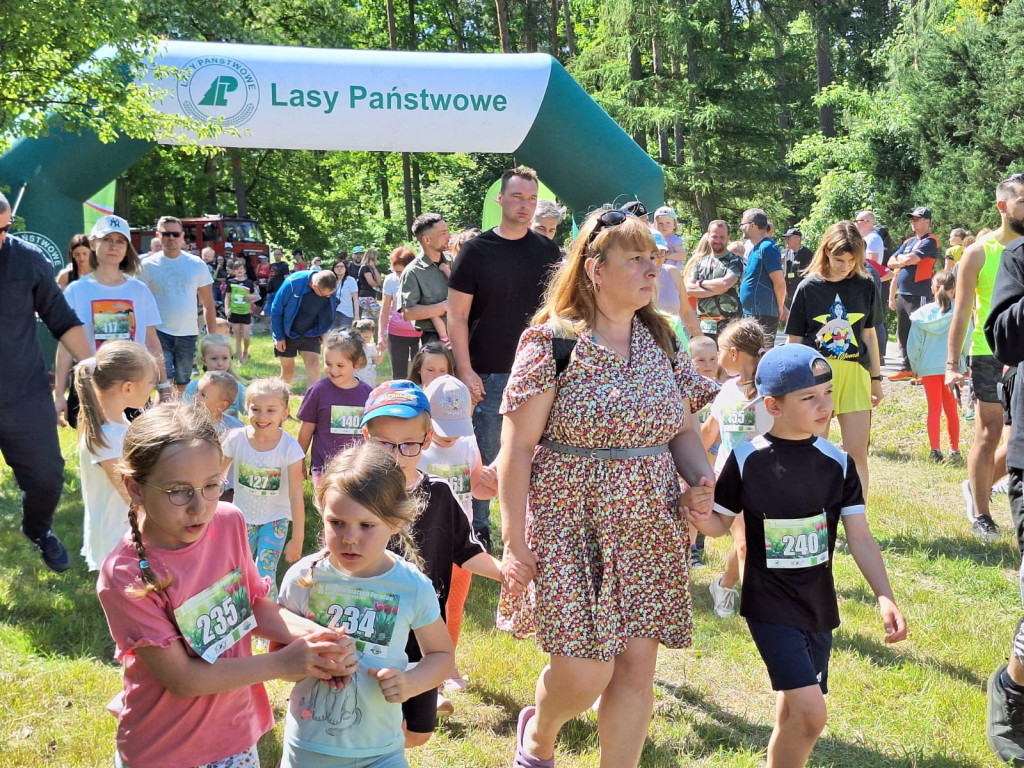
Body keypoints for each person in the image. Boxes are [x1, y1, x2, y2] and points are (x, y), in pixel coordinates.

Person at [497, 211, 716, 768]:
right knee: (583, 671)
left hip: (650, 521)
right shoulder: (552, 343)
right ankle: (539, 735)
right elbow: (518, 449)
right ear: (595, 269)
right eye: (637, 259)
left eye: (656, 258)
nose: (653, 269)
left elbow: (682, 429)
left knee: (636, 670)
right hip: (569, 520)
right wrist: (514, 536)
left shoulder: (661, 338)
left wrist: (700, 479)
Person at [96, 403, 357, 768]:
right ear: (135, 488)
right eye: (178, 491)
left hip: (236, 734)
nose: (199, 507)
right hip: (164, 750)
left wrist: (319, 640)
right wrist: (282, 663)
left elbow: (250, 606)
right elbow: (182, 679)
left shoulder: (229, 521)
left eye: (211, 486)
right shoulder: (125, 574)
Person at [687, 343, 906, 768]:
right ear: (774, 405)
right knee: (811, 715)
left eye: (826, 392)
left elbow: (860, 537)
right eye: (808, 397)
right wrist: (697, 512)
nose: (824, 405)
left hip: (818, 606)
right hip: (769, 604)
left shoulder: (838, 463)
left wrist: (884, 595)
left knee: (792, 713)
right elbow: (718, 525)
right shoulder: (746, 458)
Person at [277, 443, 455, 768]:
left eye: (367, 525)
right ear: (322, 511)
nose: (349, 538)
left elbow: (442, 656)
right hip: (309, 751)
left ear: (396, 521)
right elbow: (279, 657)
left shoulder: (412, 586)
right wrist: (305, 659)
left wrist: (412, 682)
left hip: (382, 752)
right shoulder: (303, 578)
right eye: (337, 522)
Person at [360, 380, 516, 740]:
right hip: (370, 627)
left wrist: (506, 574)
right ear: (367, 438)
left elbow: (466, 549)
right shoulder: (359, 493)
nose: (397, 455)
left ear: (426, 440)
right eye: (385, 444)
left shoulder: (440, 494)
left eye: (408, 445)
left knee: (418, 732)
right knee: (368, 720)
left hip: (424, 632)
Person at [448, 166, 562, 551]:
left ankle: (535, 530)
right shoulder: (475, 251)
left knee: (539, 454)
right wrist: (465, 369)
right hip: (490, 372)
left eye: (531, 199)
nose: (524, 206)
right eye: (517, 197)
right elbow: (457, 316)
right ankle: (477, 533)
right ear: (500, 199)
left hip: (543, 371)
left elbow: (559, 312)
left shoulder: (548, 251)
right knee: (487, 454)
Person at [948, 174, 1024, 541]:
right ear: (1002, 206)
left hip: (1022, 356)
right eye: (1022, 201)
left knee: (1016, 437)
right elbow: (961, 312)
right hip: (988, 352)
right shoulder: (980, 252)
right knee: (990, 432)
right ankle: (981, 511)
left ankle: (977, 486)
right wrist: (952, 364)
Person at [786, 220, 884, 496]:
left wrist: (876, 379)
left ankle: (858, 522)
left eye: (853, 260)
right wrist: (792, 384)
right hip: (816, 378)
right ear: (826, 251)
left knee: (857, 454)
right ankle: (816, 514)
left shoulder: (865, 285)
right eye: (840, 259)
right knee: (816, 450)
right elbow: (793, 340)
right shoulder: (807, 287)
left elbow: (869, 336)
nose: (846, 267)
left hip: (855, 375)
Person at [418, 375, 498, 693]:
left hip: (461, 544)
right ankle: (423, 662)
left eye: (456, 428)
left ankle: (447, 664)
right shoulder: (417, 448)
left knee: (454, 605)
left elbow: (475, 487)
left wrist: (489, 483)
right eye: (443, 428)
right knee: (427, 604)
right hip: (425, 544)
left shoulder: (467, 442)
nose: (451, 437)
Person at [58, 215, 171, 431]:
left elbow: (152, 342)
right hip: (91, 385)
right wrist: (60, 394)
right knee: (94, 455)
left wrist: (164, 387)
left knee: (132, 453)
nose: (114, 246)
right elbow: (65, 346)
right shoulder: (76, 291)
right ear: (93, 243)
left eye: (120, 241)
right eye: (107, 239)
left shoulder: (139, 291)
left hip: (133, 384)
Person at [702, 318, 774, 619]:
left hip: (769, 480)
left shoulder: (772, 391)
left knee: (759, 543)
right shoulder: (726, 391)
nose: (717, 359)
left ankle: (723, 584)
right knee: (745, 543)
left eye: (719, 351)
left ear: (732, 353)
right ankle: (760, 615)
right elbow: (708, 434)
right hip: (731, 481)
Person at [74, 340, 157, 571]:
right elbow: (128, 493)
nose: (152, 388)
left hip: (126, 533)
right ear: (128, 388)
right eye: (150, 382)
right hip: (117, 537)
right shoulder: (108, 437)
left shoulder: (118, 425)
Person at [221, 378, 307, 599]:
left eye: (271, 410)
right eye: (255, 409)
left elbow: (297, 495)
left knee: (264, 571)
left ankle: (269, 623)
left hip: (275, 519)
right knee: (237, 571)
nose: (262, 416)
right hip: (242, 518)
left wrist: (297, 538)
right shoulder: (236, 439)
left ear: (285, 413)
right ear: (246, 408)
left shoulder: (290, 448)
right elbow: (217, 477)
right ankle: (241, 616)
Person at [138, 216, 217, 391]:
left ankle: (178, 417)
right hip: (158, 333)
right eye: (166, 234)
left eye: (175, 234)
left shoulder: (196, 264)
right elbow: (136, 303)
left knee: (182, 384)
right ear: (158, 235)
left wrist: (213, 339)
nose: (171, 238)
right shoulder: (146, 265)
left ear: (182, 236)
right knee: (163, 384)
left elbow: (208, 304)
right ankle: (164, 415)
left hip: (188, 333)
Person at [296, 331, 373, 487]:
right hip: (324, 467)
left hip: (357, 468)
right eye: (328, 363)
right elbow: (306, 429)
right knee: (328, 509)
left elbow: (374, 433)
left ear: (357, 363)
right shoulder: (317, 392)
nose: (333, 370)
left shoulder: (369, 395)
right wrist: (299, 459)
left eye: (340, 365)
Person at [908, 270, 965, 463]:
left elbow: (913, 344)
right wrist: (964, 365)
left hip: (928, 367)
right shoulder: (959, 311)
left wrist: (915, 365)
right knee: (952, 410)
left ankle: (935, 450)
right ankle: (954, 449)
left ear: (932, 289)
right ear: (954, 290)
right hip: (951, 367)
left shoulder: (922, 314)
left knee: (934, 409)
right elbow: (966, 340)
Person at [888, 206, 940, 381]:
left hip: (920, 292)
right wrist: (905, 261)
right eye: (912, 219)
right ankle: (907, 367)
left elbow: (911, 259)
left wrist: (903, 260)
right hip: (904, 293)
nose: (914, 222)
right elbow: (890, 262)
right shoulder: (908, 242)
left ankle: (924, 369)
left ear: (927, 222)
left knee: (920, 329)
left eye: (917, 219)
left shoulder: (931, 241)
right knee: (903, 331)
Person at [269, 268, 339, 387]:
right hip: (287, 332)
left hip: (311, 333)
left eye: (330, 294)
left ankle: (311, 404)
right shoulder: (293, 283)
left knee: (314, 368)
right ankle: (278, 402)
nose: (328, 297)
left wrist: (323, 330)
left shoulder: (328, 287)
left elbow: (326, 311)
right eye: (325, 295)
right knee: (288, 373)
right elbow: (276, 310)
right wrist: (279, 336)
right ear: (314, 286)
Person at [684, 220, 746, 340]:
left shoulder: (735, 261)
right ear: (708, 237)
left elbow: (726, 283)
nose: (718, 240)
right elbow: (688, 289)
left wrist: (701, 283)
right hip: (703, 324)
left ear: (728, 237)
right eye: (714, 236)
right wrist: (715, 291)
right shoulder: (699, 262)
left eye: (722, 237)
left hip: (729, 324)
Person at [398, 213, 452, 345]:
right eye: (443, 233)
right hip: (435, 340)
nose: (448, 237)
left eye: (448, 232)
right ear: (427, 239)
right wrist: (444, 307)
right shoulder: (413, 272)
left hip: (464, 333)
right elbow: (408, 313)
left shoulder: (454, 262)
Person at [738, 208, 787, 346]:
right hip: (753, 312)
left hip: (763, 314)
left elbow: (780, 283)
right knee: (751, 353)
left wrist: (780, 307)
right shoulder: (756, 248)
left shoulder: (767, 248)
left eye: (742, 224)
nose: (741, 228)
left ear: (752, 225)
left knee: (761, 353)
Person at [379, 246, 422, 379]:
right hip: (396, 333)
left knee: (419, 373)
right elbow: (385, 309)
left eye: (401, 272)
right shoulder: (390, 280)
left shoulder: (420, 278)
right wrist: (381, 334)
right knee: (398, 375)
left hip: (419, 332)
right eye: (396, 271)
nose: (399, 275)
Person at [182, 334, 247, 417]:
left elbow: (254, 409)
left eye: (225, 358)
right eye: (214, 358)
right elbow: (184, 416)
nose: (220, 363)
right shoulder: (193, 387)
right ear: (204, 360)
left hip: (230, 429)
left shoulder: (237, 388)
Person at [653, 232, 703, 341]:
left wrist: (701, 341)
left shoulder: (672, 272)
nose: (656, 258)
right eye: (652, 254)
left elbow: (686, 312)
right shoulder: (633, 278)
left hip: (674, 342)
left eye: (661, 252)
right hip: (644, 346)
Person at [226, 258, 258, 365]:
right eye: (237, 269)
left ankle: (246, 350)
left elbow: (255, 296)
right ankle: (239, 359)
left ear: (244, 271)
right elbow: (227, 297)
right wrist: (226, 309)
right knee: (237, 337)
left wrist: (250, 296)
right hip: (234, 312)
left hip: (245, 312)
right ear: (234, 271)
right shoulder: (230, 282)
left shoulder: (248, 283)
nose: (239, 270)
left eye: (241, 269)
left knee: (246, 337)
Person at [781, 227, 814, 310]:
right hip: (788, 294)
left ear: (797, 239)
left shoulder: (807, 254)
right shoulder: (785, 253)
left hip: (802, 293)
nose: (786, 241)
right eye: (786, 238)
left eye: (789, 238)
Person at [354, 246, 383, 325]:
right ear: (372, 258)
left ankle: (370, 334)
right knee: (381, 313)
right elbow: (371, 283)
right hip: (365, 296)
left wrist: (374, 268)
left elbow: (379, 281)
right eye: (376, 258)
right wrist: (376, 284)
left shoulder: (371, 268)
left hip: (370, 296)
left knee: (370, 320)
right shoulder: (365, 268)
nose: (377, 259)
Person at [332, 258, 359, 329]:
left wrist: (356, 316)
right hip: (332, 312)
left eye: (341, 266)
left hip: (346, 313)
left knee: (344, 337)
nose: (339, 268)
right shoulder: (331, 280)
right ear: (333, 269)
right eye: (337, 267)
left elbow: (355, 299)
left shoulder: (351, 280)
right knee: (332, 337)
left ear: (346, 268)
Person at [355, 318, 383, 386]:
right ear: (358, 334)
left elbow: (377, 361)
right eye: (365, 337)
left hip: (370, 378)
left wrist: (382, 351)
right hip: (358, 378)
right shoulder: (354, 348)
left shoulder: (371, 348)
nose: (367, 339)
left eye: (370, 337)